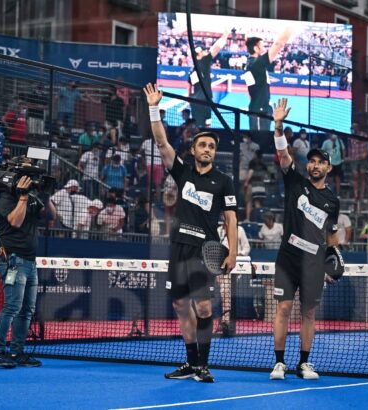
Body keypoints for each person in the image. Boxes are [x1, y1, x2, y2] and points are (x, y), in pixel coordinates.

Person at [144, 83, 237, 383]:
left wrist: (233, 252)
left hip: (205, 250)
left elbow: (231, 218)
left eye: (211, 146)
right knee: (180, 305)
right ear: (194, 150)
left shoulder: (223, 181)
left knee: (205, 307)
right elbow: (161, 144)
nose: (207, 149)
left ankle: (204, 365)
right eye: (203, 145)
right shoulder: (183, 171)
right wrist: (153, 109)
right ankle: (192, 363)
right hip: (179, 247)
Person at [268, 98, 341, 381]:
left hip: (313, 262)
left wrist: (332, 261)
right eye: (312, 161)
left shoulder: (332, 201)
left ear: (328, 168)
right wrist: (278, 126)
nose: (315, 165)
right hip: (287, 258)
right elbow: (283, 154)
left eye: (321, 162)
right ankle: (279, 363)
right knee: (284, 308)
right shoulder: (295, 181)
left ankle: (304, 363)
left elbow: (331, 234)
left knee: (308, 313)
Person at [0, 159, 56, 368]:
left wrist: (46, 196)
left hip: (31, 262)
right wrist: (23, 196)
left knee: (26, 310)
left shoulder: (33, 198)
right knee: (12, 307)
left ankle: (17, 352)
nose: (31, 180)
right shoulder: (6, 198)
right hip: (13, 261)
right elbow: (15, 221)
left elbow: (51, 216)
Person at [244, 28, 294, 130]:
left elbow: (250, 90)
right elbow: (278, 44)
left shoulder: (250, 63)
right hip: (260, 111)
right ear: (256, 48)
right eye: (262, 46)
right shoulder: (256, 63)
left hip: (260, 108)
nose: (264, 48)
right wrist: (291, 28)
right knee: (260, 137)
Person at [216, 219, 250, 335]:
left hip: (235, 265)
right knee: (222, 292)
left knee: (225, 290)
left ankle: (226, 320)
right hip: (220, 266)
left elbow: (246, 247)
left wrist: (238, 255)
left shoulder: (240, 230)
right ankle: (223, 320)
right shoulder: (218, 230)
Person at [189, 31, 229, 127]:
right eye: (204, 51)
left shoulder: (193, 67)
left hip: (195, 101)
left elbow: (189, 85)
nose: (206, 52)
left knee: (196, 125)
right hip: (205, 100)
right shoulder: (205, 61)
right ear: (200, 53)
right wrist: (225, 36)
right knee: (207, 125)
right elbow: (216, 48)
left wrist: (189, 98)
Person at [347, 124, 368, 202]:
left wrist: (366, 153)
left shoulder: (364, 135)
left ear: (358, 128)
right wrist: (349, 156)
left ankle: (362, 195)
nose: (353, 129)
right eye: (351, 128)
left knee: (362, 176)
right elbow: (349, 147)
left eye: (354, 128)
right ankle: (356, 195)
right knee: (355, 176)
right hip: (354, 158)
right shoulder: (350, 137)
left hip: (362, 158)